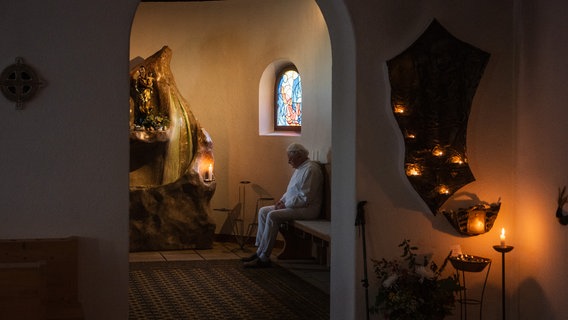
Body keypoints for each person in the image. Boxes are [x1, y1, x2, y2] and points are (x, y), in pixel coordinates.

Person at [243, 143, 324, 268]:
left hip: (308, 209)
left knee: (273, 216)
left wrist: (285, 204)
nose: (288, 161)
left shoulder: (311, 170)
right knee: (263, 211)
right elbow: (291, 190)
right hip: (294, 206)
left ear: (300, 156)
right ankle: (259, 251)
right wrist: (282, 201)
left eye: (290, 158)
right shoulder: (300, 168)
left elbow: (305, 197)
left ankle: (264, 257)